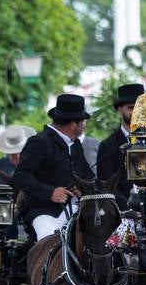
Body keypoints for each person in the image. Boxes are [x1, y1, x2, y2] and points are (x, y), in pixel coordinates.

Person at [12, 94, 89, 239]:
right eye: (83, 121)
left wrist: (82, 188)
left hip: (76, 210)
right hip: (43, 212)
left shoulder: (76, 144)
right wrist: (50, 192)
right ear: (73, 124)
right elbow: (20, 176)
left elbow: (87, 175)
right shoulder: (39, 142)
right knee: (51, 242)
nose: (85, 125)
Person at [77, 83, 141, 204]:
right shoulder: (108, 146)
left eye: (141, 108)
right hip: (122, 211)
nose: (137, 112)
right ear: (120, 110)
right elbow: (106, 185)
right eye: (132, 107)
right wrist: (129, 206)